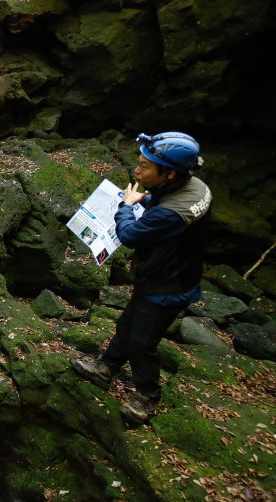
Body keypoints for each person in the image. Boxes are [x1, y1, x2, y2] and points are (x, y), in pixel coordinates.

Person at [70, 131, 212, 424]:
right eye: (140, 162)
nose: (137, 170)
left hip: (168, 286)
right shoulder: (194, 185)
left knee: (142, 343)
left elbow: (130, 234)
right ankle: (106, 367)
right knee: (128, 324)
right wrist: (145, 201)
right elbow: (162, 211)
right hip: (165, 274)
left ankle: (147, 396)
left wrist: (126, 205)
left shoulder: (172, 212)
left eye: (145, 166)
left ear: (169, 173)